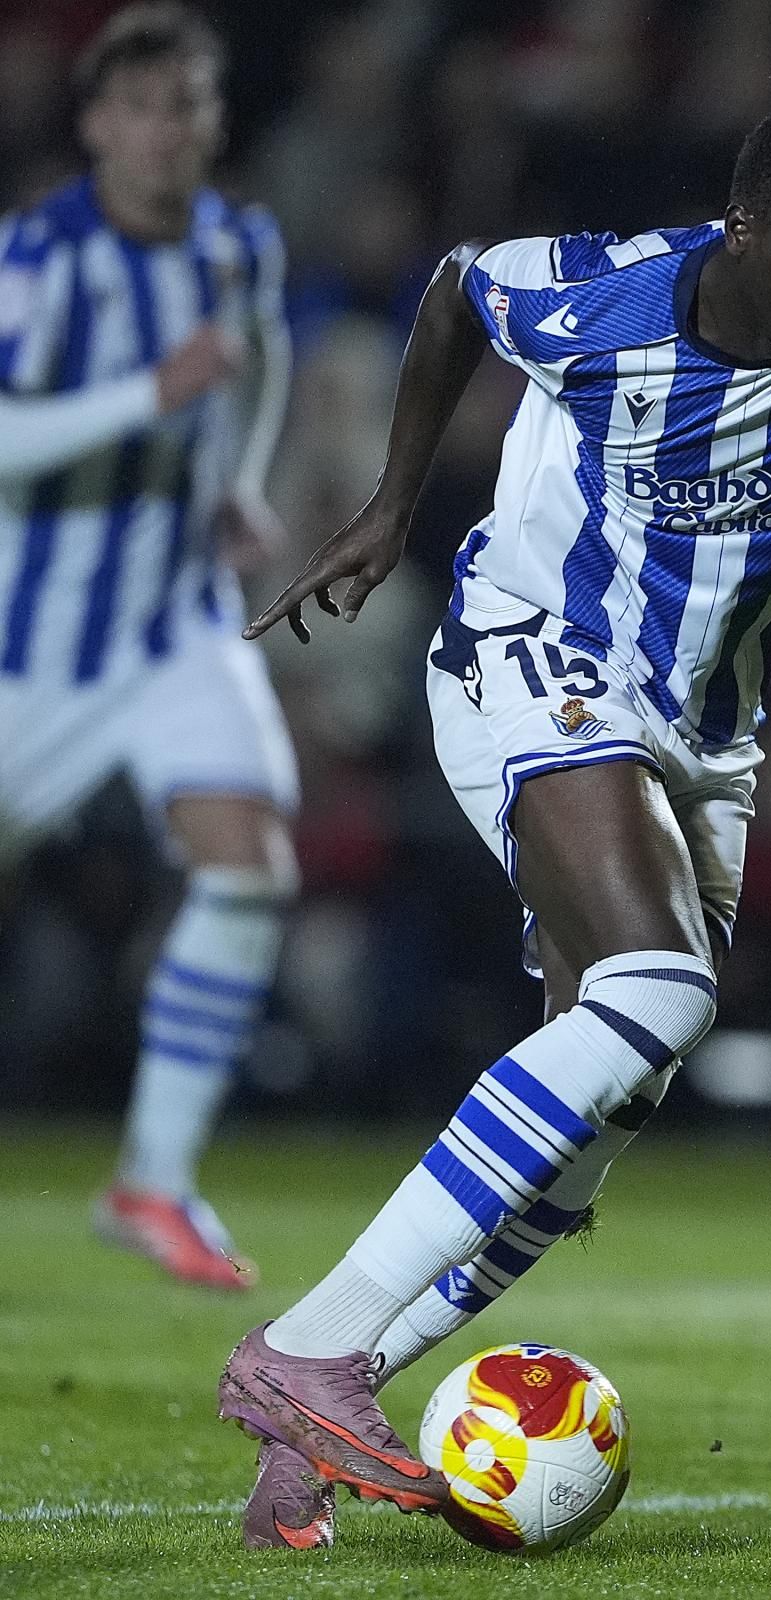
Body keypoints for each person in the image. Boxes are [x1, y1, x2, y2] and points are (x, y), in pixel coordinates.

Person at [218, 87, 771, 1548]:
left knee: (600, 1124)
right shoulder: (608, 294)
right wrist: (390, 508)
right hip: (535, 655)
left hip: (706, 737)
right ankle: (302, 1354)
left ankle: (326, 1390)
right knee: (659, 990)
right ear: (744, 233)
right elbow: (455, 290)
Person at [0, 5, 297, 1289]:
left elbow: (263, 357)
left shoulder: (239, 244)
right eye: (141, 107)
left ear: (212, 121)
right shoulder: (38, 256)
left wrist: (242, 475)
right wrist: (150, 399)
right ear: (96, 126)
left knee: (249, 862)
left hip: (172, 624)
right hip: (29, 647)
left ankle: (154, 1181)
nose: (166, 132)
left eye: (188, 105)